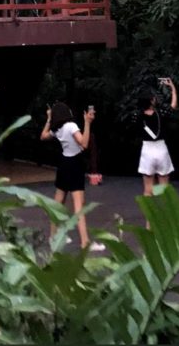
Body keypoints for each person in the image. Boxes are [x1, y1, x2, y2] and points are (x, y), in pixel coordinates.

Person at [41, 101, 106, 251]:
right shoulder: (71, 126)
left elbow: (43, 136)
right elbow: (84, 144)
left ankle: (53, 237)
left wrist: (49, 119)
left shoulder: (57, 129)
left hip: (63, 164)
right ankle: (85, 242)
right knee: (79, 205)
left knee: (58, 203)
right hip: (74, 165)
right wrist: (87, 123)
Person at [138, 77, 178, 217]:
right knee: (164, 189)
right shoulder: (161, 114)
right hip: (161, 149)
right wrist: (172, 89)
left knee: (148, 190)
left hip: (147, 150)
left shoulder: (138, 117)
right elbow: (173, 106)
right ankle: (166, 221)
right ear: (151, 101)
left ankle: (150, 222)